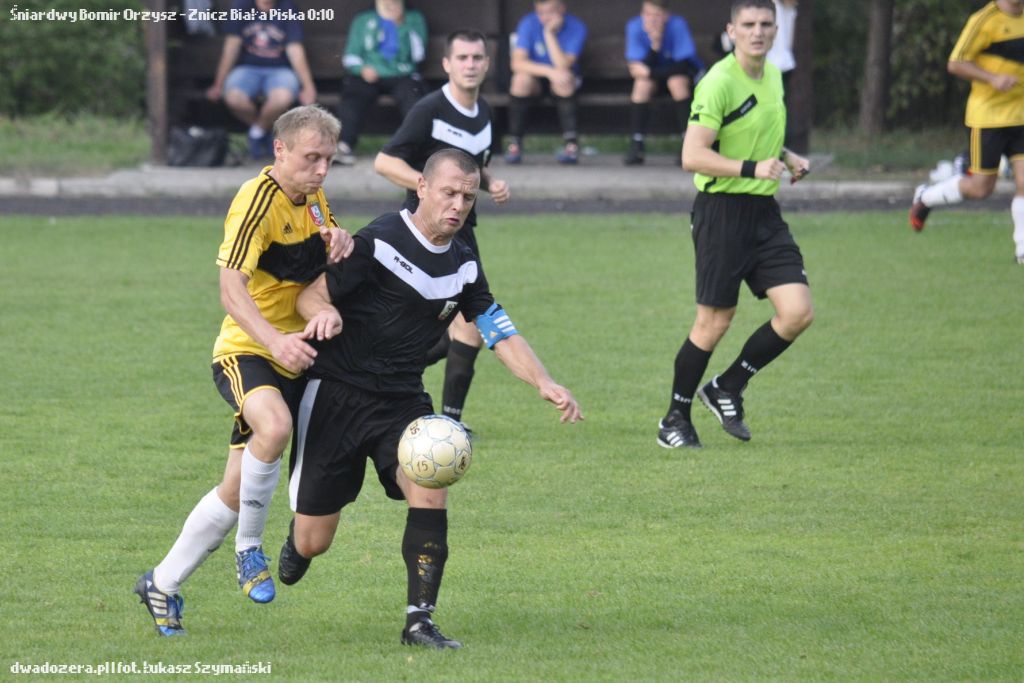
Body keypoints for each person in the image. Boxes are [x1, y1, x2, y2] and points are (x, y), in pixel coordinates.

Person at [277, 148, 583, 650]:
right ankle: (298, 542)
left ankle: (419, 621)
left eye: (468, 196)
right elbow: (310, 295)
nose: (458, 205)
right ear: (422, 187)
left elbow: (497, 329)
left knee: (431, 479)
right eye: (449, 193)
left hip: (402, 400)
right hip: (335, 395)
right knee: (315, 541)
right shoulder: (380, 240)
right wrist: (324, 313)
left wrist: (544, 383)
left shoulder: (464, 264)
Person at [134, 105, 353, 636]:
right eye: (311, 158)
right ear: (280, 150)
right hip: (247, 350)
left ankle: (161, 583)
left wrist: (340, 240)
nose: (322, 169)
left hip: (296, 352)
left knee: (235, 491)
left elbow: (318, 249)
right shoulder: (255, 201)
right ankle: (249, 551)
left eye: (328, 159)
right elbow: (231, 289)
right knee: (274, 427)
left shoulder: (313, 196)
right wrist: (275, 340)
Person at [657, 0, 813, 449]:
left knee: (797, 312)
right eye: (748, 24)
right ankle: (674, 420)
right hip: (721, 212)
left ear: (776, 30)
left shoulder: (773, 75)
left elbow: (757, 134)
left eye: (765, 24)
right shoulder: (718, 82)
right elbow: (692, 155)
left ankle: (727, 386)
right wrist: (751, 168)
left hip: (764, 213)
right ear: (732, 31)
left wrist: (787, 157)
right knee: (714, 322)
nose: (757, 32)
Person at [374, 29, 511, 431]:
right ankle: (443, 419)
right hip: (424, 229)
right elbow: (384, 161)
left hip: (461, 229)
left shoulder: (484, 112)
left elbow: (472, 165)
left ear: (487, 64)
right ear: (447, 64)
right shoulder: (429, 109)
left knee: (460, 323)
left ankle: (442, 418)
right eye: (462, 57)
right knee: (462, 320)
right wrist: (432, 187)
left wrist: (490, 182)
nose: (470, 64)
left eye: (477, 57)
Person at [909, 0, 1024, 265]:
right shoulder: (985, 20)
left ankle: (1022, 250)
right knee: (981, 188)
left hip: (1021, 115)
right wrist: (993, 78)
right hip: (988, 117)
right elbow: (956, 63)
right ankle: (926, 196)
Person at [205, 0, 318, 159]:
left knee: (282, 98)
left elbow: (295, 50)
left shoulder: (287, 7)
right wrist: (218, 84)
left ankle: (256, 134)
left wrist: (308, 86)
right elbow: (231, 48)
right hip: (247, 68)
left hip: (280, 69)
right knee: (233, 98)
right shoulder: (241, 6)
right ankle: (265, 132)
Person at [335, 0, 428, 166]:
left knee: (413, 97)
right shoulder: (363, 19)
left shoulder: (414, 18)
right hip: (369, 75)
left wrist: (401, 25)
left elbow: (418, 55)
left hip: (402, 74)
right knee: (354, 94)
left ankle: (414, 149)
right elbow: (350, 56)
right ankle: (344, 146)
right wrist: (361, 69)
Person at [505, 0, 588, 165]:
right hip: (537, 78)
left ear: (562, 9)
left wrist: (549, 34)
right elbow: (517, 64)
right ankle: (515, 143)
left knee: (564, 79)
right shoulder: (528, 23)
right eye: (540, 12)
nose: (544, 17)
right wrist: (549, 72)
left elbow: (563, 65)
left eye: (550, 12)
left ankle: (571, 145)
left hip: (563, 81)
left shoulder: (577, 26)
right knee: (520, 80)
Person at [623, 0, 704, 166]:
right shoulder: (634, 26)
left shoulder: (677, 25)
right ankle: (637, 144)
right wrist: (655, 45)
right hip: (655, 80)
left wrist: (650, 72)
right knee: (641, 84)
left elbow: (682, 66)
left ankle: (687, 144)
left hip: (680, 78)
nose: (651, 19)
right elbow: (638, 68)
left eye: (657, 15)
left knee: (677, 82)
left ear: (666, 15)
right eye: (647, 14)